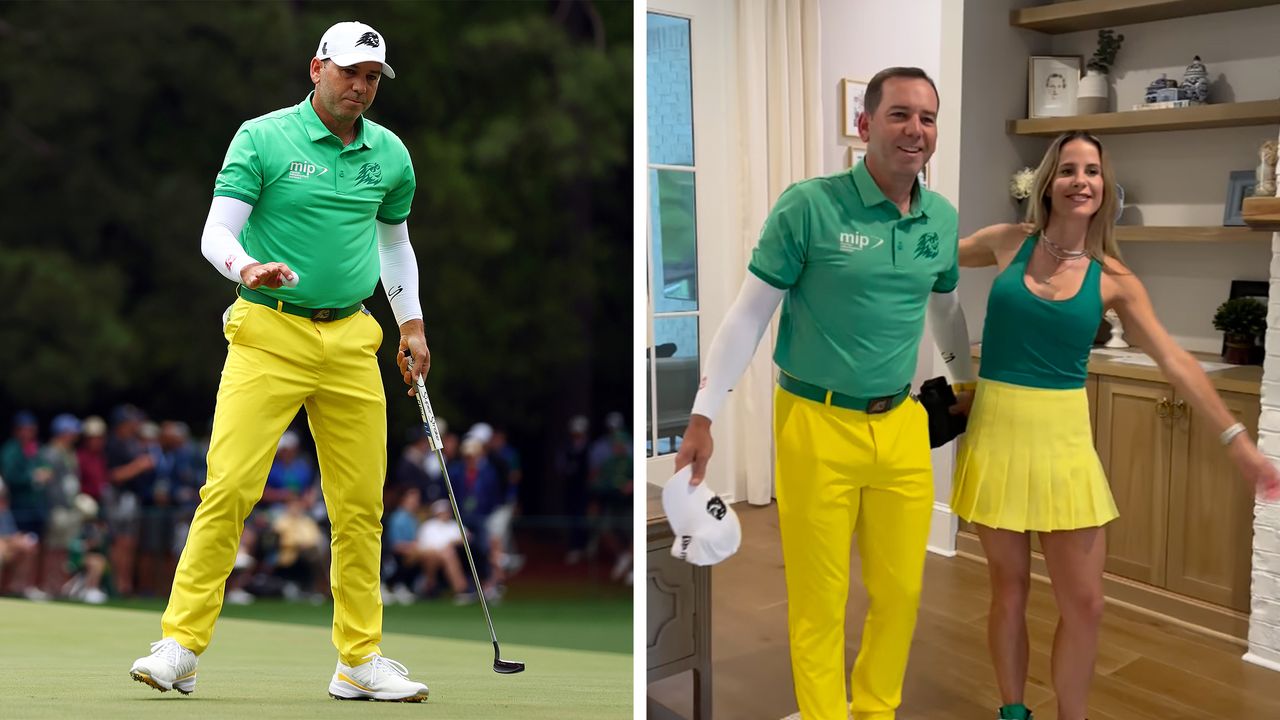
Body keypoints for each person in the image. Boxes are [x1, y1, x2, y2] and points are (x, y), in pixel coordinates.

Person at [129, 21, 431, 702]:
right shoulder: (262, 137)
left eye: (373, 78)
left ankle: (359, 660)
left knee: (358, 509)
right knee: (229, 488)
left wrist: (411, 325)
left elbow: (395, 247)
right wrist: (246, 268)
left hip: (353, 340)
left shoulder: (390, 154)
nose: (361, 87)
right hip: (270, 330)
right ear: (316, 68)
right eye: (351, 72)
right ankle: (180, 646)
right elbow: (216, 231)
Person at [675, 67, 978, 720]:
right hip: (816, 420)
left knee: (900, 592)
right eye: (899, 114)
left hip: (899, 422)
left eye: (927, 118)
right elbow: (748, 315)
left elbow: (945, 307)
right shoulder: (808, 205)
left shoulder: (942, 218)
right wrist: (703, 417)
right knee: (820, 596)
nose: (915, 130)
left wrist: (964, 381)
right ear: (864, 125)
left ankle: (875, 709)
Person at [952, 130, 1280, 720]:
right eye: (1070, 169)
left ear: (1105, 189)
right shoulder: (1006, 243)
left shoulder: (1115, 279)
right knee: (1009, 592)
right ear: (1048, 184)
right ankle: (1012, 712)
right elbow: (927, 261)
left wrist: (1238, 442)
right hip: (998, 433)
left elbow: (1176, 361)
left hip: (1064, 443)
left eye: (1094, 171)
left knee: (1087, 604)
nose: (1082, 180)